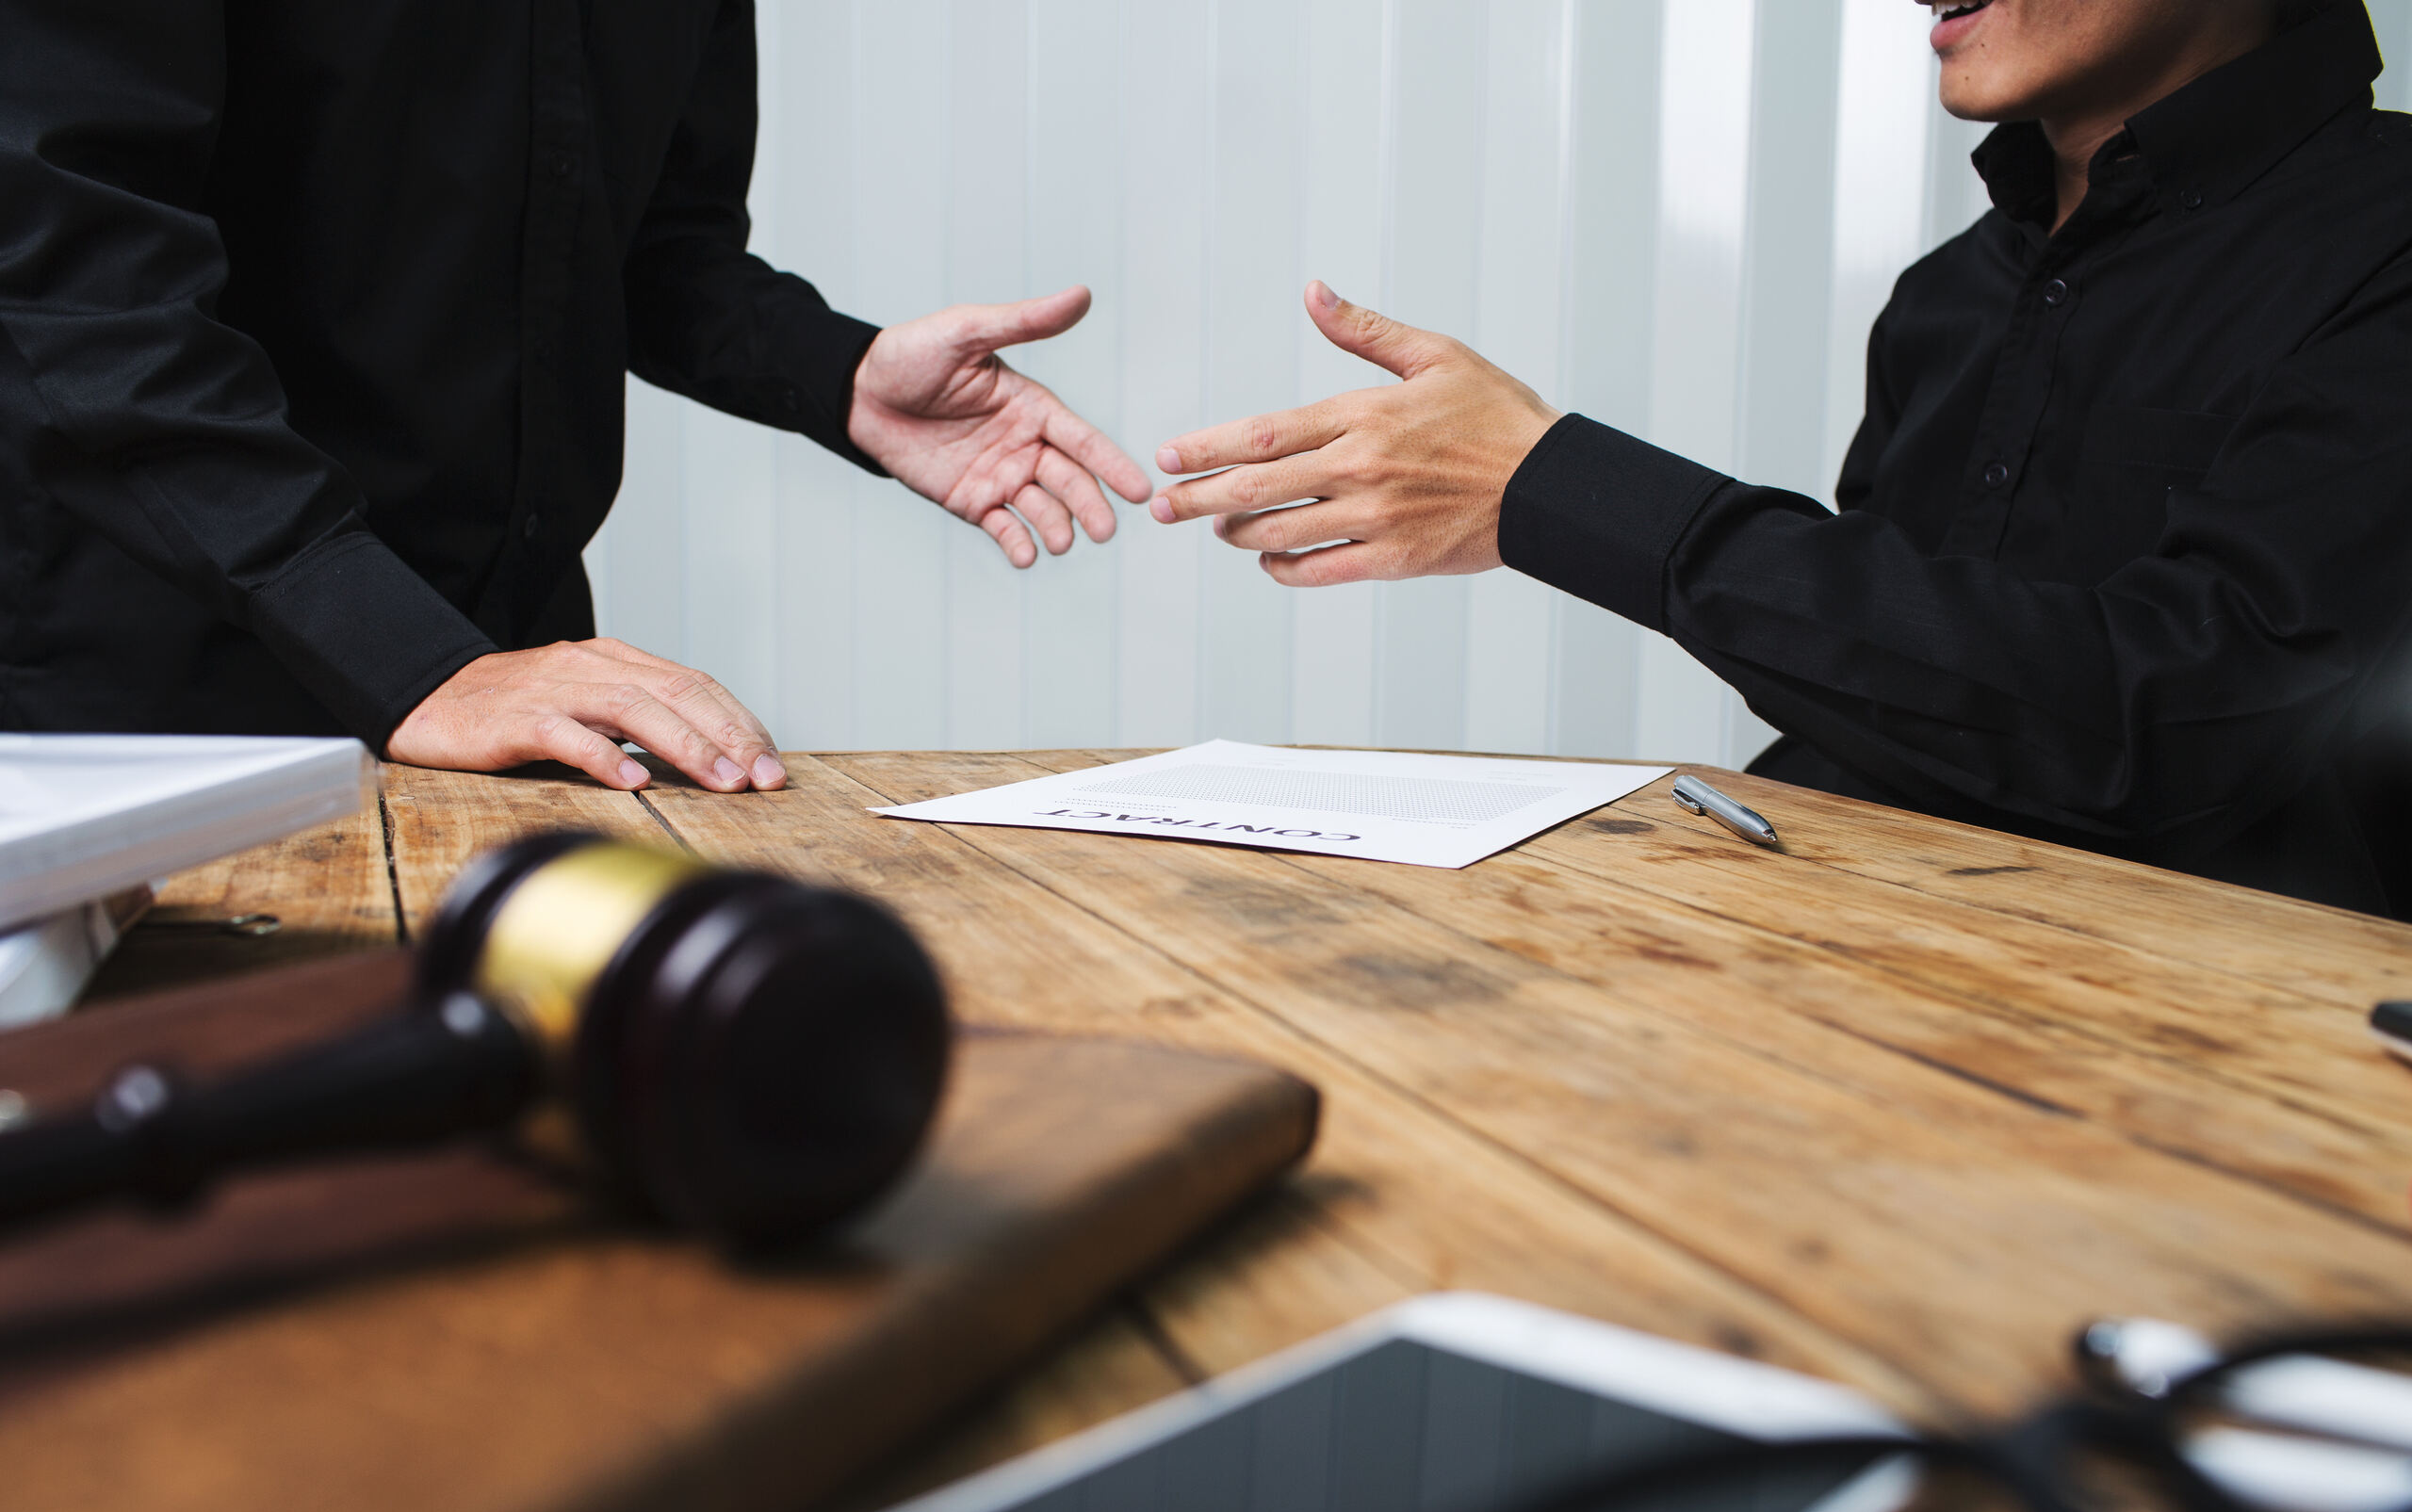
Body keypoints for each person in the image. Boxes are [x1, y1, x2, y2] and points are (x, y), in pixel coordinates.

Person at [1149, 0, 2412, 917]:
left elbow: (2180, 721)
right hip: (1849, 996)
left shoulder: (2388, 243)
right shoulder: (1947, 301)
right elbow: (1900, 711)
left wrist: (1563, 491)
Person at [0, 2, 1150, 796]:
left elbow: (654, 244)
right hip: (156, 711)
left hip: (512, 687)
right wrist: (411, 660)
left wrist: (837, 372)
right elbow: (74, 298)